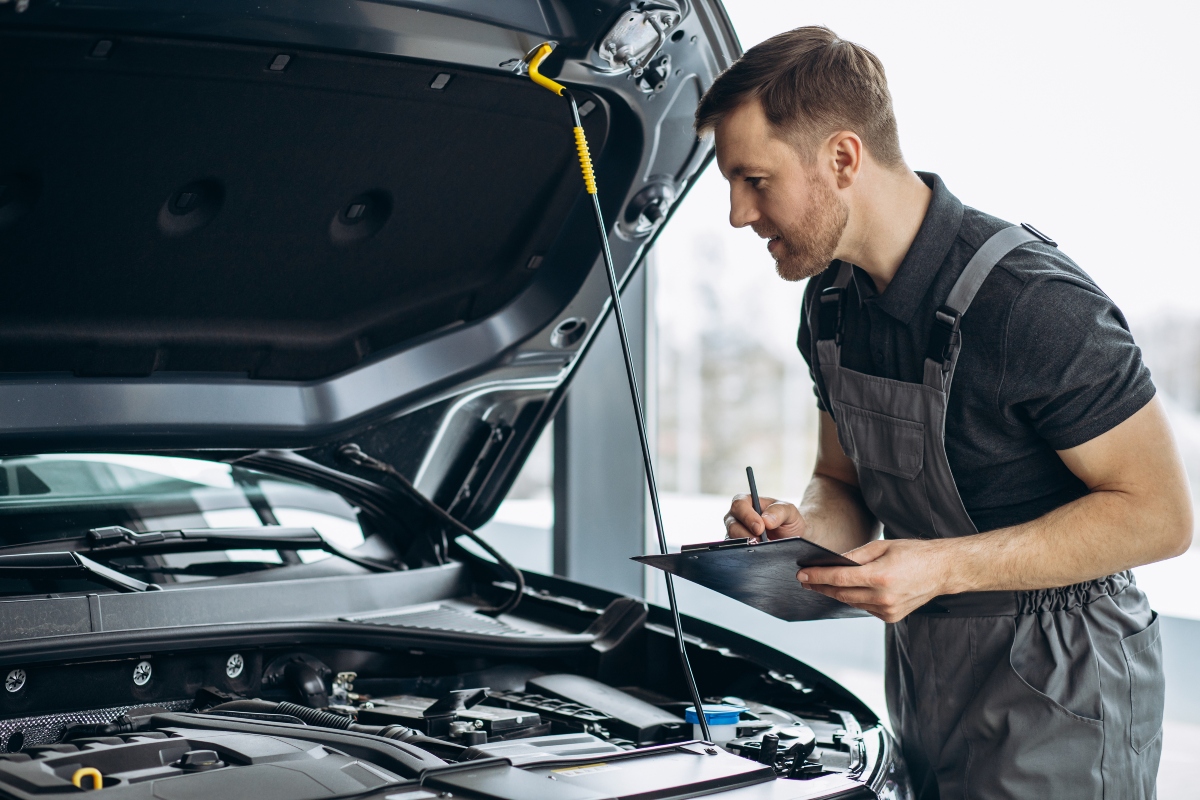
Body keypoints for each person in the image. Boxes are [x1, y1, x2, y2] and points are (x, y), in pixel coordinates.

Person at [704, 26, 1192, 800]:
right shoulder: (830, 305)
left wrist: (943, 566)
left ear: (843, 158)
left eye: (754, 180)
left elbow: (1161, 516)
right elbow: (842, 480)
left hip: (1064, 683)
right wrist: (803, 533)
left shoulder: (1033, 303)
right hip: (927, 674)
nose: (737, 213)